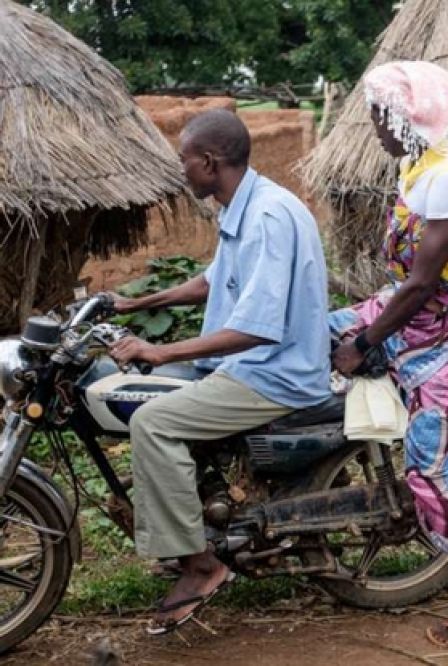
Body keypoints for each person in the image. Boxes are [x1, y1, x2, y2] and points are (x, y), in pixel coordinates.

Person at [109, 108, 331, 634]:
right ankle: (195, 526)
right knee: (147, 397)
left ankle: (200, 566)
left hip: (273, 372)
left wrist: (161, 352)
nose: (180, 169)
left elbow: (257, 327)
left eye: (184, 159)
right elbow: (215, 281)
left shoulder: (269, 217)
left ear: (209, 162)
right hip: (246, 365)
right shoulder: (240, 206)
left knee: (154, 423)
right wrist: (133, 303)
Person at [328, 60, 448, 649]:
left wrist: (362, 343)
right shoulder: (415, 167)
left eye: (378, 114)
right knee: (313, 330)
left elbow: (421, 284)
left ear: (406, 115)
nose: (374, 126)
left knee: (429, 475)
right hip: (414, 317)